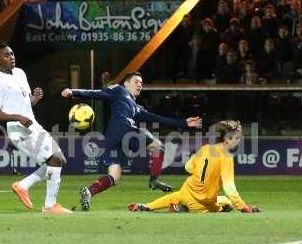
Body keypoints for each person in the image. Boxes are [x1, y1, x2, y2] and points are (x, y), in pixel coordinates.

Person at [61, 72, 201, 211]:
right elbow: (98, 93)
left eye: (141, 82)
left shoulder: (136, 108)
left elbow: (156, 118)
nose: (140, 84)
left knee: (114, 176)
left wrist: (182, 123)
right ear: (126, 83)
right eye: (136, 81)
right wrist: (74, 92)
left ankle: (89, 191)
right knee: (157, 146)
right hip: (125, 130)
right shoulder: (119, 91)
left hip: (112, 138)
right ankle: (154, 180)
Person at [0, 43, 71, 215]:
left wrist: (34, 98)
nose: (11, 57)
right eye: (6, 55)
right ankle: (50, 206)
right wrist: (18, 117)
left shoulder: (19, 73)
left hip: (32, 125)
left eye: (12, 53)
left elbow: (25, 103)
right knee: (55, 159)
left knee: (59, 159)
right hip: (19, 130)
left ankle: (23, 185)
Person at [128, 120, 260, 214]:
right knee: (226, 204)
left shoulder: (205, 148)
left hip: (187, 190)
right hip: (202, 203)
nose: (239, 140)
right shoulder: (226, 158)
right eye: (236, 138)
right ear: (227, 139)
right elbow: (229, 188)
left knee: (178, 196)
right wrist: (244, 207)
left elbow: (188, 167)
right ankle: (181, 209)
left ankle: (147, 206)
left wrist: (203, 173)